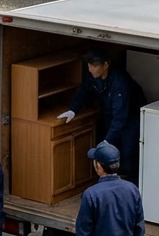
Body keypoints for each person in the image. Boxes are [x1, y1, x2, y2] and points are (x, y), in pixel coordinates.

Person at [59, 49, 143, 179]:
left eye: (94, 65)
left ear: (105, 65)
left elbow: (120, 117)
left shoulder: (119, 82)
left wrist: (107, 141)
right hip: (110, 115)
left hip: (129, 117)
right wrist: (73, 110)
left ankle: (130, 182)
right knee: (112, 147)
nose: (90, 69)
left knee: (128, 152)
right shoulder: (92, 76)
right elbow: (83, 91)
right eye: (89, 65)